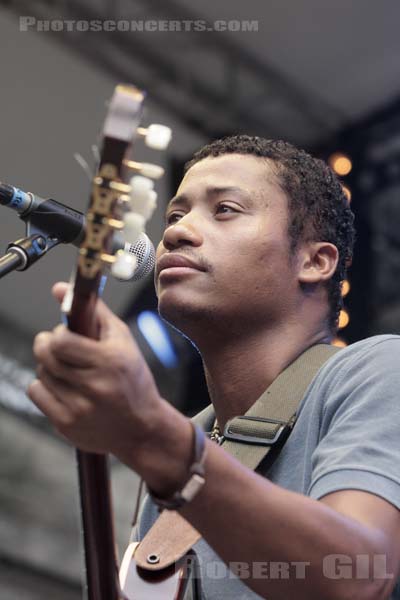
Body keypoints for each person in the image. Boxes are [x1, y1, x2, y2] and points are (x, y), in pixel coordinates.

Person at [28, 136, 400, 599]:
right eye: (175, 216)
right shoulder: (185, 443)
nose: (175, 234)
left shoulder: (378, 369)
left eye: (224, 209)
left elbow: (355, 576)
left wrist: (155, 437)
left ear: (314, 261)